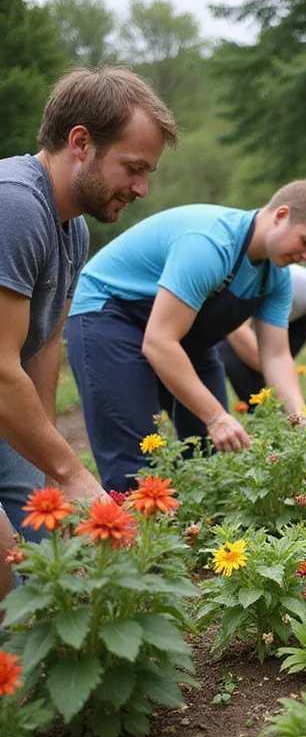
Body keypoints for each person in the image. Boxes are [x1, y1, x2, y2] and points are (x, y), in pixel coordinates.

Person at [0, 67, 178, 593]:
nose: (141, 188)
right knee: (10, 564)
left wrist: (52, 461)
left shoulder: (71, 226)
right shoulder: (14, 205)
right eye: (133, 167)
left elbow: (43, 342)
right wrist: (74, 474)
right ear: (81, 142)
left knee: (46, 539)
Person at [65, 181, 306, 493]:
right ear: (281, 215)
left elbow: (276, 355)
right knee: (138, 465)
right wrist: (216, 417)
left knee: (214, 453)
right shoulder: (211, 243)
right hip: (111, 317)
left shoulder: (275, 277)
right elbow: (159, 342)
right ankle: (128, 537)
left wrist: (299, 418)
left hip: (183, 337)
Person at [216, 263, 306, 402]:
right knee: (233, 357)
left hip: (296, 322)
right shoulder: (255, 282)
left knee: (277, 369)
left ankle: (278, 403)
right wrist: (279, 377)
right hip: (244, 323)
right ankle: (257, 409)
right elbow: (238, 331)